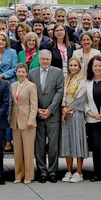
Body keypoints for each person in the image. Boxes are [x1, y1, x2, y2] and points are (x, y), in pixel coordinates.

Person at [32, 49, 64, 183]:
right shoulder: (32, 73)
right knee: (39, 145)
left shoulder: (57, 72)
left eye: (47, 59)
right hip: (38, 114)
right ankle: (42, 171)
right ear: (39, 60)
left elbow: (59, 91)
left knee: (53, 145)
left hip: (52, 115)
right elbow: (31, 92)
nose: (45, 61)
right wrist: (37, 110)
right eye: (43, 59)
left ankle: (52, 171)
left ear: (50, 60)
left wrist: (50, 110)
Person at [84, 57, 101, 183]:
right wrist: (91, 113)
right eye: (95, 66)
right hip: (92, 119)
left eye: (99, 66)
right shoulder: (86, 82)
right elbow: (83, 101)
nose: (97, 68)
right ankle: (96, 173)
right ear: (91, 67)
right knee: (95, 147)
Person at [61, 57, 87, 182]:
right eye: (70, 65)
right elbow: (63, 96)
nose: (72, 68)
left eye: (75, 65)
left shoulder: (82, 80)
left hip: (76, 114)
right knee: (67, 142)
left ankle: (79, 172)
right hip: (65, 115)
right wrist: (63, 109)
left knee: (77, 141)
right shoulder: (66, 79)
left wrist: (68, 109)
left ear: (79, 67)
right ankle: (69, 171)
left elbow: (80, 98)